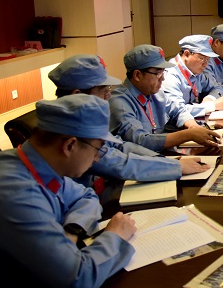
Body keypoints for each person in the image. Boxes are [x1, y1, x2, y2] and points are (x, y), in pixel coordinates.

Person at [0, 95, 137, 288]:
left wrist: (71, 230)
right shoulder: (16, 194)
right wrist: (116, 235)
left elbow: (85, 195)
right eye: (98, 148)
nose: (96, 158)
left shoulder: (31, 163)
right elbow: (78, 280)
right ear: (70, 145)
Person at [50, 54, 205, 188]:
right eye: (103, 91)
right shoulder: (70, 129)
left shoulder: (86, 119)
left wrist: (164, 161)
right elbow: (116, 162)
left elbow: (120, 145)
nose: (108, 97)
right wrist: (175, 166)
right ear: (77, 95)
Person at [109, 44, 221, 151]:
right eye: (158, 74)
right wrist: (188, 135)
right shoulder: (120, 102)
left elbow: (177, 110)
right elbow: (141, 140)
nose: (162, 79)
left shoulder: (155, 93)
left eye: (163, 72)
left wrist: (194, 127)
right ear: (137, 75)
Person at [163, 35, 223, 117]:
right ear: (187, 54)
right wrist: (212, 106)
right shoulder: (170, 76)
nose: (206, 64)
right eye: (202, 59)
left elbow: (217, 87)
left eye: (208, 59)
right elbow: (177, 111)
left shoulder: (195, 72)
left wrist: (210, 98)